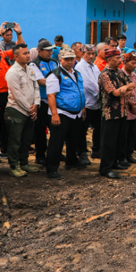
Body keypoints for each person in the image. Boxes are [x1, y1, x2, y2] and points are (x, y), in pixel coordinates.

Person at [45, 48, 87, 180]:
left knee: (74, 139)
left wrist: (83, 107)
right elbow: (51, 96)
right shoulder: (54, 75)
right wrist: (54, 114)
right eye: (66, 59)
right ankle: (52, 169)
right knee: (56, 142)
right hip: (61, 113)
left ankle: (71, 161)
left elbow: (80, 91)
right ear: (60, 60)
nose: (70, 62)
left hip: (76, 113)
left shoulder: (77, 73)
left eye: (72, 59)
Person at [0, 22, 24, 159]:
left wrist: (18, 33)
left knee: (5, 123)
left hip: (6, 94)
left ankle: (4, 150)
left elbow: (20, 48)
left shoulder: (2, 55)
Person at [4, 44, 40, 177]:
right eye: (24, 53)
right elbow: (16, 94)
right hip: (16, 110)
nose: (28, 55)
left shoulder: (30, 69)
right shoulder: (13, 72)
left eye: (28, 53)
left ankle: (24, 163)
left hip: (30, 110)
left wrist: (35, 104)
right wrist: (30, 109)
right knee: (15, 140)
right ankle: (14, 165)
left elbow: (35, 87)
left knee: (26, 139)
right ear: (16, 56)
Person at [98, 48, 134, 179]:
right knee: (109, 142)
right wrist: (124, 89)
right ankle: (105, 168)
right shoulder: (105, 75)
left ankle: (114, 163)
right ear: (109, 60)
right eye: (117, 58)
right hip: (110, 113)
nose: (120, 61)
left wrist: (124, 88)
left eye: (120, 58)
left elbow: (132, 85)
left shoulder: (120, 72)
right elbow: (114, 93)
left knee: (119, 141)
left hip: (122, 112)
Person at [29, 39, 58, 166]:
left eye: (51, 50)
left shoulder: (54, 62)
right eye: (47, 51)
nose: (50, 53)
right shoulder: (34, 64)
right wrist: (57, 83)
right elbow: (41, 82)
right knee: (40, 130)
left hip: (55, 100)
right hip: (41, 100)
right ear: (39, 51)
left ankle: (54, 152)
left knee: (55, 128)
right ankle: (40, 155)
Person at [75, 45, 102, 159]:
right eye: (88, 53)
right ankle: (81, 152)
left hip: (97, 103)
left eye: (92, 53)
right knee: (82, 129)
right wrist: (99, 93)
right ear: (82, 53)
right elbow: (86, 83)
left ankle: (96, 149)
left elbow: (100, 80)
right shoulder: (80, 67)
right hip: (86, 103)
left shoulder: (95, 67)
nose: (91, 56)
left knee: (99, 128)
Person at [121, 52, 136, 164]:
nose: (134, 65)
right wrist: (131, 104)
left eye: (135, 63)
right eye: (132, 63)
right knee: (125, 135)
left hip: (134, 109)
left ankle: (129, 154)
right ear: (125, 62)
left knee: (133, 134)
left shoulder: (135, 76)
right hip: (125, 108)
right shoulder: (121, 75)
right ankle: (123, 156)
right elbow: (122, 93)